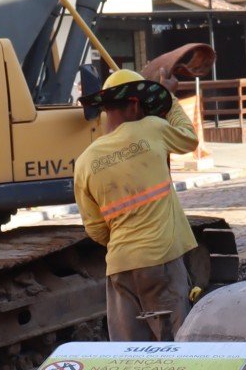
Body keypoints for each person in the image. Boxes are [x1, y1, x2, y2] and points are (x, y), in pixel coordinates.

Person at [74, 68, 200, 341]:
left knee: (129, 353)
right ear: (133, 105)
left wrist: (128, 243)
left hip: (119, 266)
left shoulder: (85, 161)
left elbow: (95, 229)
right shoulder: (152, 128)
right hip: (160, 259)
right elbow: (189, 138)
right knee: (176, 346)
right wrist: (170, 98)